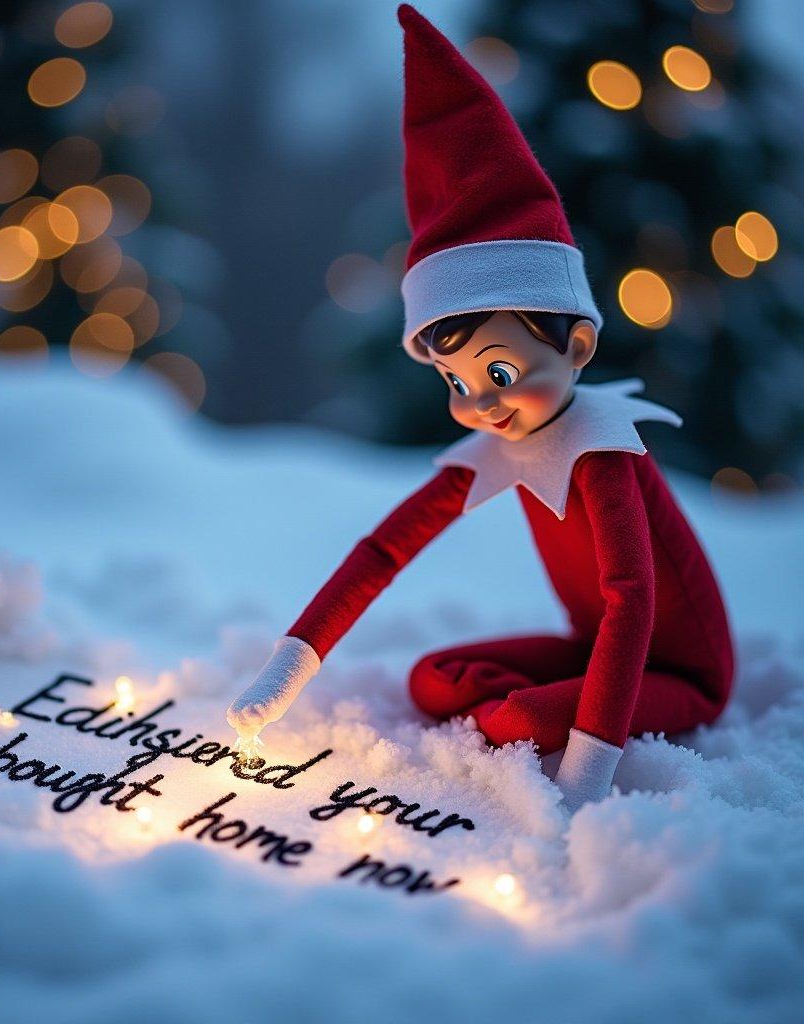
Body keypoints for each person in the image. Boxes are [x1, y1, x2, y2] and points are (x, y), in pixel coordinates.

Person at [226, 5, 734, 811]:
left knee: (518, 718)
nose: (482, 403)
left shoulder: (602, 454)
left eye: (499, 370)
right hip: (588, 647)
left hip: (674, 672)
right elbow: (382, 552)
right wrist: (289, 665)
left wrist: (588, 767)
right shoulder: (502, 443)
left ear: (576, 346)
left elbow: (632, 600)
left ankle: (527, 720)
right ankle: (516, 714)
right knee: (434, 681)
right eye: (458, 383)